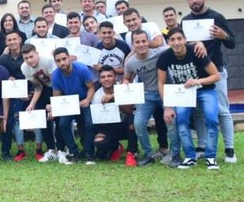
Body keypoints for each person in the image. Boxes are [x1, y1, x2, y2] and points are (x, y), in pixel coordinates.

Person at [181, 0, 237, 163]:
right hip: (195, 73)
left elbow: (232, 44)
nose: (194, 0)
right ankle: (202, 146)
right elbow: (183, 46)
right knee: (198, 111)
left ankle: (229, 150)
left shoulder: (217, 17)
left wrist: (223, 35)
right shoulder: (186, 21)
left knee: (222, 110)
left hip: (217, 70)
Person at [157, 27, 220, 170]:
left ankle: (211, 157)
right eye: (172, 40)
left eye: (179, 38)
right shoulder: (165, 56)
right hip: (184, 93)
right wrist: (167, 106)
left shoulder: (196, 52)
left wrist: (198, 81)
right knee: (181, 120)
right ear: (168, 42)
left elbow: (216, 76)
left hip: (205, 90)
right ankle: (190, 156)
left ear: (185, 40)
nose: (176, 42)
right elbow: (160, 82)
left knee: (212, 119)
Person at [123, 30, 178, 167]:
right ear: (133, 44)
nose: (141, 44)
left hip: (165, 92)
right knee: (138, 123)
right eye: (137, 42)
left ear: (148, 42)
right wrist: (125, 82)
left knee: (170, 121)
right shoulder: (131, 62)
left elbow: (179, 45)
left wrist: (199, 44)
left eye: (143, 41)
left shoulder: (161, 52)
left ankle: (174, 153)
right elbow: (126, 76)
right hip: (147, 95)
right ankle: (148, 154)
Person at [0, 34, 46, 162]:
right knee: (17, 120)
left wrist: (31, 94)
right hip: (15, 93)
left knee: (36, 118)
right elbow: (5, 76)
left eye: (15, 39)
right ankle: (21, 150)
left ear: (20, 40)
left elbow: (36, 80)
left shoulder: (28, 54)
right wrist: (9, 78)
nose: (12, 42)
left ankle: (39, 149)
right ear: (6, 42)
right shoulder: (4, 58)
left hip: (33, 90)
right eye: (9, 39)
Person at [20, 43, 65, 164]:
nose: (29, 60)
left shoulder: (48, 61)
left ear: (37, 54)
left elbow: (55, 83)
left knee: (58, 118)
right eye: (26, 58)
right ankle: (51, 149)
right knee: (42, 118)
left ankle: (61, 149)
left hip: (58, 89)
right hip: (44, 90)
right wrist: (32, 103)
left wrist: (54, 106)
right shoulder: (24, 68)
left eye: (31, 56)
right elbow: (38, 86)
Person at [51, 47, 96, 165]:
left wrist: (88, 99)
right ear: (55, 62)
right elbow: (57, 95)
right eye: (58, 60)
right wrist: (53, 108)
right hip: (68, 101)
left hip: (83, 98)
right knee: (63, 123)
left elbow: (91, 87)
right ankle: (74, 152)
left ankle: (89, 153)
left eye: (64, 59)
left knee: (89, 124)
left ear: (69, 57)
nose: (62, 63)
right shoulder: (55, 75)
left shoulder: (82, 68)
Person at [92, 66, 138, 167]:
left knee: (133, 121)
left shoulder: (123, 89)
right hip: (109, 126)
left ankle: (131, 153)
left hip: (125, 124)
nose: (106, 79)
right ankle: (116, 147)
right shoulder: (97, 96)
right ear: (99, 80)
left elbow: (129, 111)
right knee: (99, 142)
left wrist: (114, 99)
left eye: (109, 76)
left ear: (115, 78)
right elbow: (99, 121)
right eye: (103, 77)